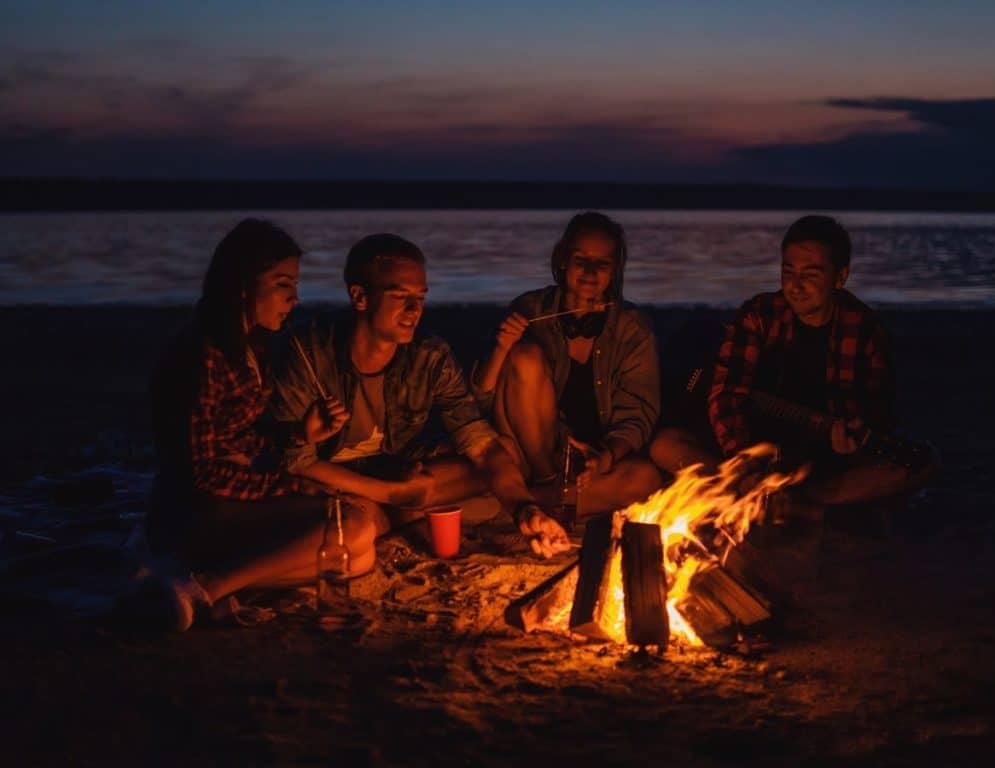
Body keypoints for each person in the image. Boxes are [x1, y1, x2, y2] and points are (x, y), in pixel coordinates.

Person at [271, 233, 569, 558]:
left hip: (388, 473)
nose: (415, 309)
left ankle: (396, 510)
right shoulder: (309, 352)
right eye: (400, 296)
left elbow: (482, 446)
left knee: (504, 453)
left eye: (421, 297)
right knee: (352, 509)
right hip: (330, 482)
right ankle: (394, 511)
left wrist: (525, 509)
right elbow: (296, 462)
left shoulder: (429, 356)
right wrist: (392, 492)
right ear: (360, 297)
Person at [146, 218, 369, 631]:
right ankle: (206, 586)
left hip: (230, 497)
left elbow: (236, 436)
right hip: (194, 510)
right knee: (350, 531)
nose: (295, 298)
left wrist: (298, 435)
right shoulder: (202, 357)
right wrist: (286, 485)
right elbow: (200, 473)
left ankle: (218, 580)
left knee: (357, 548)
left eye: (295, 285)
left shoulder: (251, 345)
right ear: (244, 285)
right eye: (283, 284)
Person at [650, 214, 935, 516]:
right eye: (789, 272)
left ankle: (798, 502)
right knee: (666, 446)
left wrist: (851, 435)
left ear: (840, 277)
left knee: (923, 463)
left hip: (818, 459)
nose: (795, 286)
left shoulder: (864, 330)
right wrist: (746, 462)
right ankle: (767, 497)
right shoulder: (760, 315)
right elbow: (727, 395)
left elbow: (875, 408)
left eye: (810, 275)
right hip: (752, 452)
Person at [471, 212, 663, 520]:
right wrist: (501, 348)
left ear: (614, 270)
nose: (589, 272)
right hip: (531, 457)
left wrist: (606, 456)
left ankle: (525, 499)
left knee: (646, 479)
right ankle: (550, 489)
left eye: (601, 263)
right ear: (562, 261)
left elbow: (638, 416)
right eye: (580, 259)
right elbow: (480, 401)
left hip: (591, 464)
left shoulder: (632, 329)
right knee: (525, 357)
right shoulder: (530, 310)